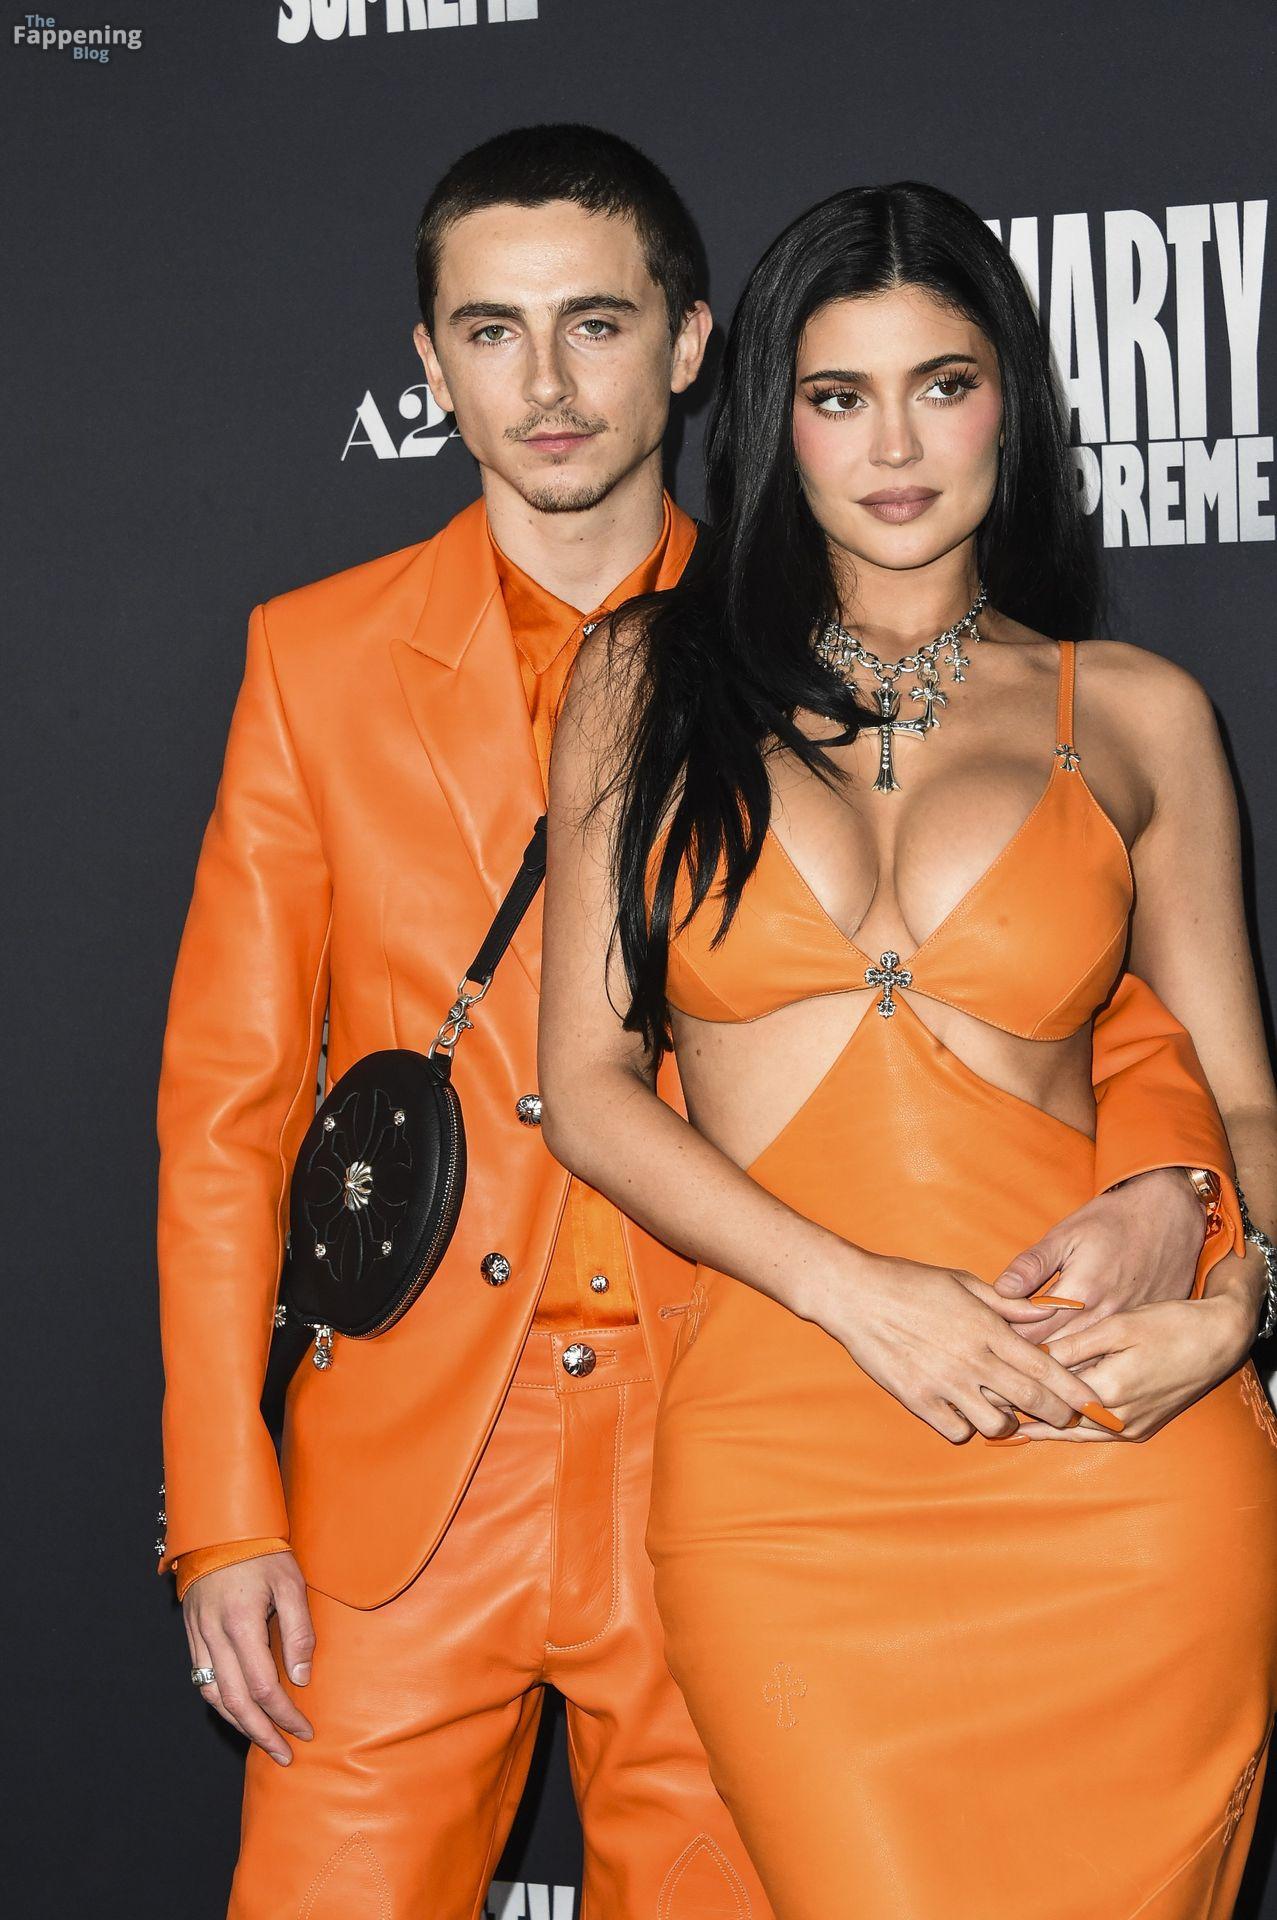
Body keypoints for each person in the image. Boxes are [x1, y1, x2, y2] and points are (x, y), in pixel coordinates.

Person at [155, 129, 1247, 1917]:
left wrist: (1181, 1205)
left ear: (686, 346)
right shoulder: (321, 660)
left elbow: (1097, 1005)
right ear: (428, 365)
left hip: (735, 1415)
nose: (545, 383)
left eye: (593, 323)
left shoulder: (841, 652)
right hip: (419, 1469)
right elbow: (228, 1110)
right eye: (490, 331)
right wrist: (223, 1507)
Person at [538, 180, 1277, 1920]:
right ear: (772, 419)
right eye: (836, 393)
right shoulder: (644, 680)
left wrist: (1239, 1305)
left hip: (1116, 1454)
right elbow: (587, 1088)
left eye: (941, 385)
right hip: (792, 1465)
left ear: (1008, 404)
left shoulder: (1136, 711)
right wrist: (862, 1296)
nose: (892, 445)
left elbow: (1241, 1091)